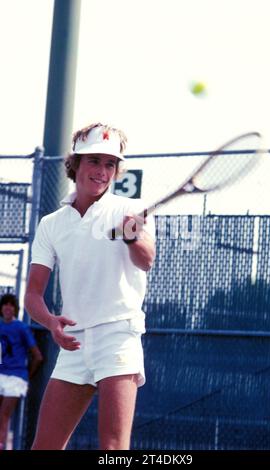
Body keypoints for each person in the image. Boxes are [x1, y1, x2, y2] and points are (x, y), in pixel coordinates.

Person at [24, 122, 156, 450]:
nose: (102, 170)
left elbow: (147, 260)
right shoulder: (51, 224)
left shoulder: (130, 210)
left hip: (118, 336)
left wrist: (132, 237)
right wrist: (52, 322)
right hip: (75, 344)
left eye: (110, 163)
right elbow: (32, 295)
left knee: (113, 449)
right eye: (94, 160)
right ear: (76, 164)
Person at [0, 293, 43, 450]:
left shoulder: (22, 328)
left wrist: (26, 376)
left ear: (15, 308)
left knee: (4, 416)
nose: (8, 308)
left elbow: (37, 356)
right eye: (5, 304)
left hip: (16, 377)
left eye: (11, 305)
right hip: (1, 373)